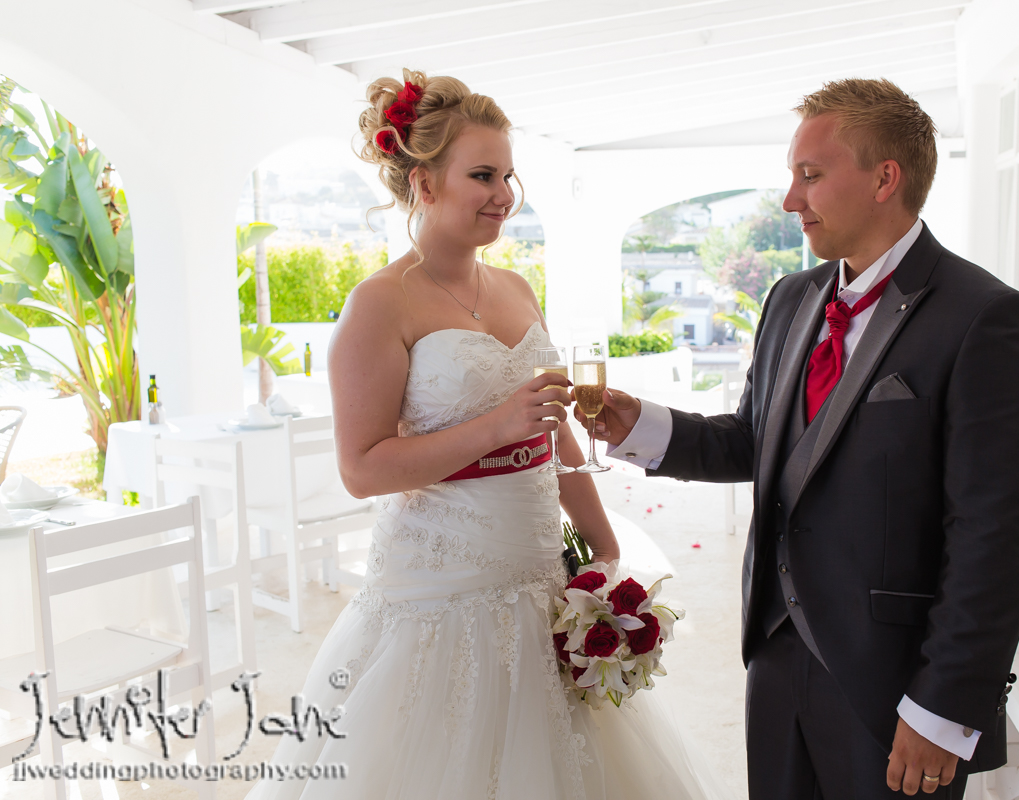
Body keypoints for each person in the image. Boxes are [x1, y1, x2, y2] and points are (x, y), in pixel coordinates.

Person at [244, 69, 730, 800]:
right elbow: (363, 468)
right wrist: (497, 423)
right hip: (438, 596)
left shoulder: (516, 289)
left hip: (538, 582)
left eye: (507, 175)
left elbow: (552, 434)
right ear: (424, 181)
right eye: (482, 175)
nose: (504, 194)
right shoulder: (379, 305)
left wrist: (601, 546)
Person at [581, 78, 1019, 799]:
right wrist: (638, 423)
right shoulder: (791, 299)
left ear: (885, 178)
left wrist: (944, 707)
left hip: (895, 684)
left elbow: (997, 535)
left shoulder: (987, 317)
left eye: (810, 175)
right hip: (775, 657)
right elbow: (754, 441)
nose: (789, 200)